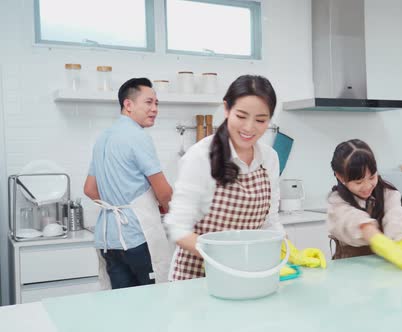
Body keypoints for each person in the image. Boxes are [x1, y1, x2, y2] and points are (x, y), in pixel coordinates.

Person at [165, 74, 325, 280]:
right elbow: (178, 228)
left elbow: (269, 222)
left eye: (260, 120)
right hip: (196, 277)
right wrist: (227, 255)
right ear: (226, 109)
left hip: (248, 273)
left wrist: (291, 252)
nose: (249, 127)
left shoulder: (269, 158)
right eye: (241, 116)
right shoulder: (200, 156)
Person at [83, 78, 173, 289]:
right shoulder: (138, 136)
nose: (154, 109)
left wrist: (117, 203)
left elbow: (89, 189)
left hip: (109, 239)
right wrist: (172, 214)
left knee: (123, 306)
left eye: (157, 103)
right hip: (137, 237)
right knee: (154, 300)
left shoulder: (103, 138)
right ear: (128, 104)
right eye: (149, 102)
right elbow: (164, 192)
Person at [327, 139, 402, 273]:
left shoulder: (387, 194)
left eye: (372, 177)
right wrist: (392, 251)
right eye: (359, 182)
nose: (367, 186)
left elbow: (397, 218)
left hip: (382, 268)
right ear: (340, 177)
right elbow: (361, 225)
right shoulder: (337, 202)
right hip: (350, 271)